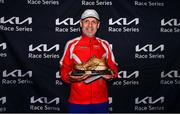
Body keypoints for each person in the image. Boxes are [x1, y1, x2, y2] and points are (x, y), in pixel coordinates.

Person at [59, 9, 119, 113]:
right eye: (86, 21)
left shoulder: (105, 44)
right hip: (77, 102)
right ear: (81, 23)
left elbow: (114, 68)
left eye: (93, 22)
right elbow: (64, 71)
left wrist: (111, 75)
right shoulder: (71, 44)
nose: (90, 25)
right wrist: (71, 77)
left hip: (101, 102)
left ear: (98, 25)